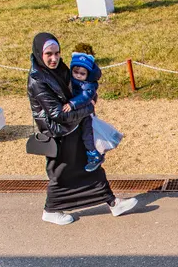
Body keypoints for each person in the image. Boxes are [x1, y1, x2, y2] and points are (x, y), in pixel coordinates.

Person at [27, 32, 137, 225]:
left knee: (91, 165)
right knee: (60, 173)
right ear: (39, 54)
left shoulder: (60, 69)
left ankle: (113, 202)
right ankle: (50, 210)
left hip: (73, 128)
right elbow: (57, 114)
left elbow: (80, 87)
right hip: (58, 133)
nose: (54, 58)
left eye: (57, 53)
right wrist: (88, 107)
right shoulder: (37, 79)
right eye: (48, 54)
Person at [68, 52, 104, 172]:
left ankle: (93, 154)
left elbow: (85, 96)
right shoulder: (72, 80)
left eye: (82, 73)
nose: (78, 75)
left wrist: (72, 104)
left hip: (85, 114)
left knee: (87, 134)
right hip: (78, 113)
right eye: (75, 72)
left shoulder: (88, 85)